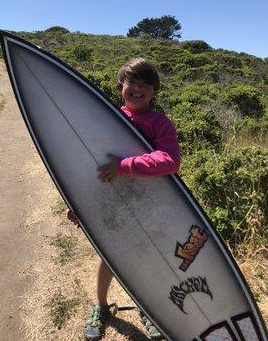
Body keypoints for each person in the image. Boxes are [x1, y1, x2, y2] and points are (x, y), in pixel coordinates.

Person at [67, 57, 181, 340]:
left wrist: (124, 165)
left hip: (149, 204)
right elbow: (87, 164)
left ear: (155, 91)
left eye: (145, 85)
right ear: (121, 86)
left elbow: (170, 161)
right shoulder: (107, 118)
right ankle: (102, 307)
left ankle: (146, 306)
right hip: (111, 201)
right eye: (132, 83)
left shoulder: (159, 123)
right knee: (109, 255)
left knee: (146, 257)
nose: (138, 89)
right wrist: (77, 203)